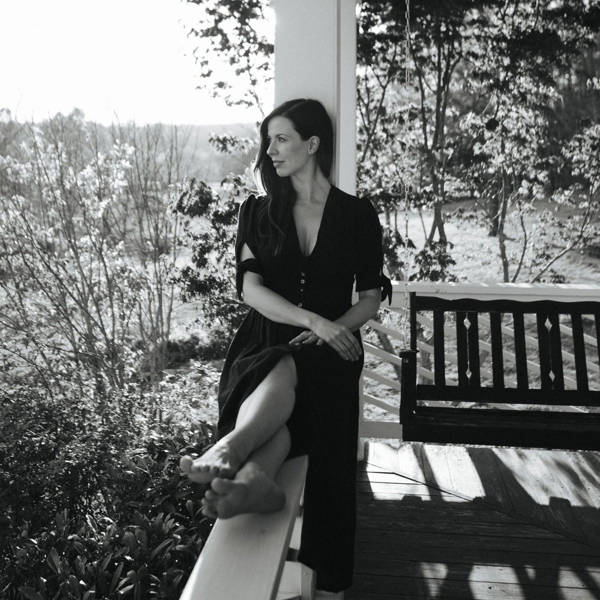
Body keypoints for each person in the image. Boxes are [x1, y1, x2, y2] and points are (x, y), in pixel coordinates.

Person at [180, 98, 391, 598]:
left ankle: (239, 456)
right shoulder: (256, 212)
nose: (269, 151)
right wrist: (311, 320)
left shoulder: (357, 215)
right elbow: (250, 291)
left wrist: (330, 330)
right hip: (264, 341)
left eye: (281, 139)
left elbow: (369, 297)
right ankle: (253, 474)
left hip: (333, 349)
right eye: (267, 140)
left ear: (312, 144)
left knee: (300, 391)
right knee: (283, 363)